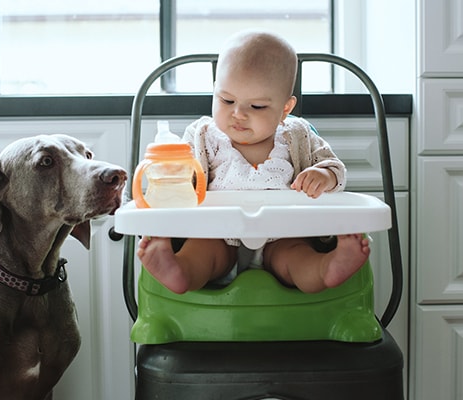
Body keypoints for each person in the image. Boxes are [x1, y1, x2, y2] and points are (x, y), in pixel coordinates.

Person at [137, 30, 370, 294]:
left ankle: (327, 268)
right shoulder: (202, 135)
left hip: (283, 234)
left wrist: (323, 175)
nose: (238, 114)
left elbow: (334, 167)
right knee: (202, 252)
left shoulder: (298, 135)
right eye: (226, 100)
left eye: (257, 106)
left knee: (295, 258)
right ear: (214, 90)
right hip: (217, 233)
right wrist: (171, 173)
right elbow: (181, 179)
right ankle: (178, 271)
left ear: (285, 108)